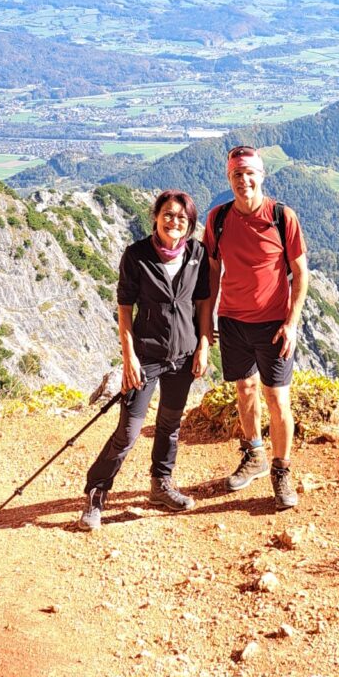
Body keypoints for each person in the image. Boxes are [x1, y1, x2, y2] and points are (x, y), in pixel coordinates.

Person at [78, 189, 211, 530]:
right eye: (168, 214)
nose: (174, 221)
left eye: (182, 217)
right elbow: (125, 309)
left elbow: (203, 304)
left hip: (183, 356)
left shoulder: (197, 253)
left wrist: (204, 345)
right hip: (146, 356)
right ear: (155, 216)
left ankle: (161, 484)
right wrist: (129, 358)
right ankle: (97, 491)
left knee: (170, 425)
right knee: (129, 429)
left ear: (190, 223)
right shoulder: (136, 255)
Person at [204, 145, 309, 510]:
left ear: (261, 176)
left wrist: (292, 324)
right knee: (245, 389)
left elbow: (300, 273)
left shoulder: (282, 217)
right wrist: (207, 321)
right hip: (232, 320)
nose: (243, 180)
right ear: (228, 178)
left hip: (274, 325)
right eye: (236, 174)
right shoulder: (217, 219)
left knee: (277, 398)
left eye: (249, 173)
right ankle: (255, 454)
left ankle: (282, 470)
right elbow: (213, 271)